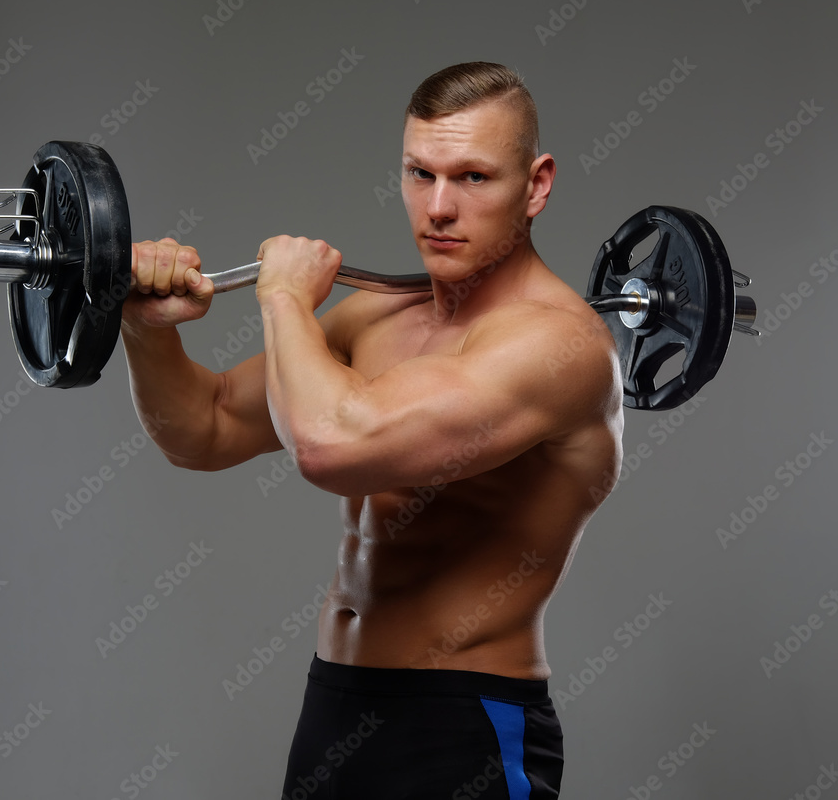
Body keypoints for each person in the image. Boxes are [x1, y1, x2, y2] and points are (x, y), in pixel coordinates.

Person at [121, 62, 623, 799]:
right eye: (420, 173)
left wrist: (287, 297)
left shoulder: (557, 348)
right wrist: (146, 329)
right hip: (336, 703)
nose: (439, 206)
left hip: (463, 726)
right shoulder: (380, 315)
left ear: (537, 184)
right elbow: (204, 428)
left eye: (473, 178)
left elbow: (331, 445)